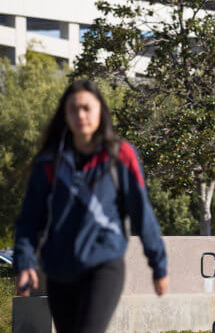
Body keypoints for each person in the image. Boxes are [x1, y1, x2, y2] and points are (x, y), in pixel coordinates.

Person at [14, 80, 168, 333]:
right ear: (65, 115)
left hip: (103, 266)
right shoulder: (50, 162)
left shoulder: (121, 155)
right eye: (73, 109)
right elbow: (30, 219)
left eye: (87, 108)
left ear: (100, 111)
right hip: (59, 271)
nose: (80, 115)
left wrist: (158, 266)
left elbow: (142, 212)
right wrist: (25, 263)